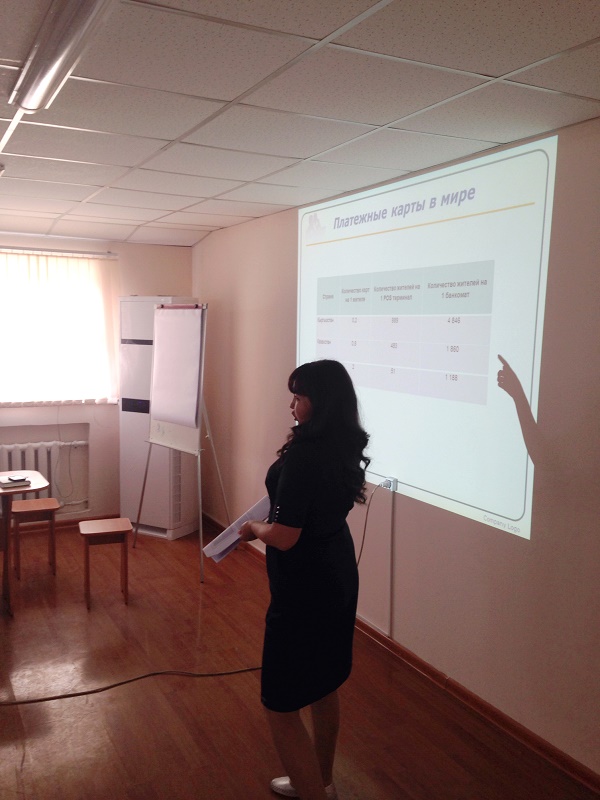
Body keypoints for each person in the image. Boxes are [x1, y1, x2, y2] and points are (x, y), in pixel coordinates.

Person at [239, 359, 370, 800]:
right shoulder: (341, 445)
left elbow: (284, 536)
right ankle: (321, 782)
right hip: (337, 573)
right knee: (324, 683)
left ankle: (308, 787)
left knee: (279, 704)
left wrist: (253, 529)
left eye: (299, 396)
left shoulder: (305, 455)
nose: (291, 404)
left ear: (322, 401)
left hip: (304, 588)